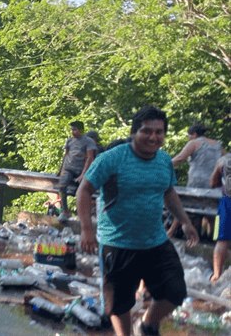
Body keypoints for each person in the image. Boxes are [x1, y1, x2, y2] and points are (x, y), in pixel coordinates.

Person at [77, 106, 199, 336]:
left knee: (175, 291)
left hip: (155, 242)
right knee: (119, 304)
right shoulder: (112, 158)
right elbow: (84, 189)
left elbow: (169, 191)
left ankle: (146, 323)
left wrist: (184, 220)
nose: (153, 137)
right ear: (134, 132)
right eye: (146, 131)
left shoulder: (163, 160)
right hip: (117, 243)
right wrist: (86, 230)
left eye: (159, 132)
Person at [56, 121, 97, 222]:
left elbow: (90, 158)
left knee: (82, 190)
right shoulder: (70, 140)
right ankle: (64, 211)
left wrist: (83, 174)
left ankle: (84, 213)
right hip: (68, 168)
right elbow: (66, 155)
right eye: (72, 130)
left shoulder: (88, 141)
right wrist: (60, 170)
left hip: (80, 169)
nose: (73, 132)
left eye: (75, 129)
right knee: (62, 186)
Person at [172, 122, 226, 188]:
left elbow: (179, 159)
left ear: (194, 134)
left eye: (189, 136)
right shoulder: (218, 144)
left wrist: (162, 165)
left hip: (197, 184)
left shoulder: (194, 143)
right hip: (215, 184)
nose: (189, 138)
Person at [209, 153, 231, 283]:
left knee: (221, 240)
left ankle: (217, 275)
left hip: (226, 202)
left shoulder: (223, 160)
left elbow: (212, 183)